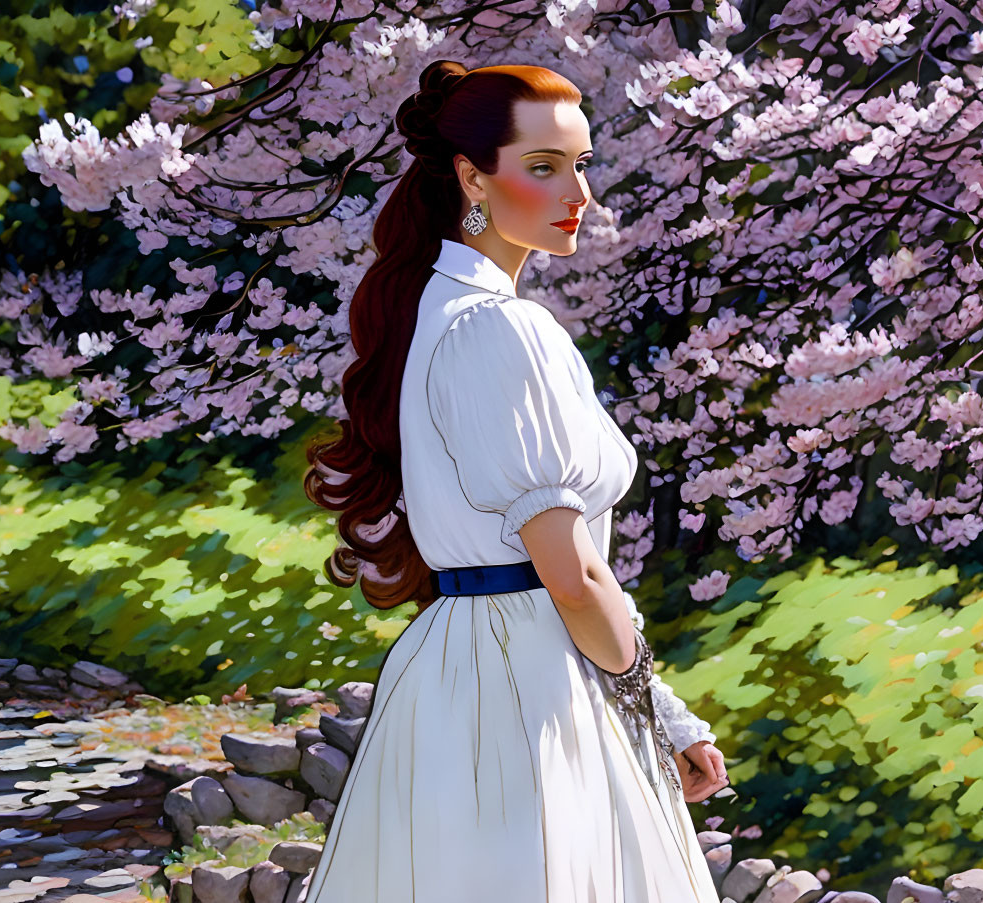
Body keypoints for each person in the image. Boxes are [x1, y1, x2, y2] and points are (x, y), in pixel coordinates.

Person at [302, 59, 728, 903]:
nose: (579, 192)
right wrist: (657, 715)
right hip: (531, 680)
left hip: (459, 668)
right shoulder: (503, 331)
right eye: (543, 167)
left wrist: (661, 710)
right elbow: (570, 578)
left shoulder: (436, 314)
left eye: (581, 162)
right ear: (471, 176)